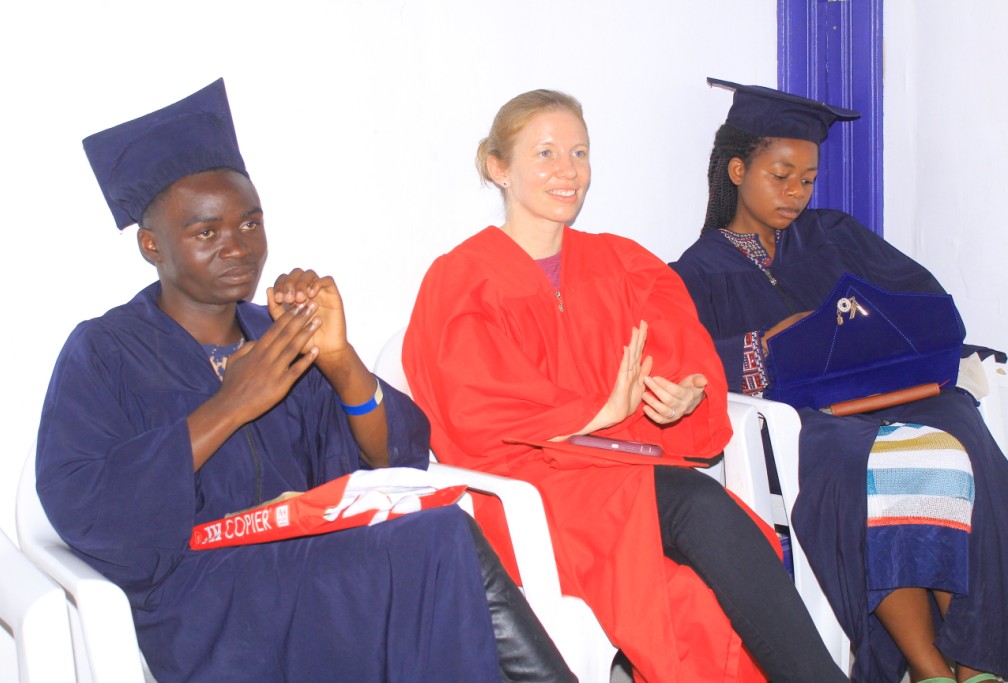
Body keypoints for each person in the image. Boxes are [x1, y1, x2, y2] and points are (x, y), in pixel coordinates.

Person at [36, 79, 575, 683]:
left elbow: (393, 458)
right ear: (151, 245)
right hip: (201, 601)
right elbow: (84, 504)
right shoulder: (106, 351)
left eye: (250, 224)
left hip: (311, 560)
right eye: (206, 232)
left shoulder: (280, 335)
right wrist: (231, 405)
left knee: (436, 544)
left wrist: (338, 358)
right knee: (436, 549)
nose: (237, 248)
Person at [403, 89, 849, 683]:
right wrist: (596, 411)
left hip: (621, 468)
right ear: (499, 167)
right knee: (699, 506)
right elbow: (470, 412)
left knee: (696, 591)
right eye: (545, 153)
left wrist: (686, 393)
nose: (568, 170)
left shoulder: (621, 264)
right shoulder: (460, 279)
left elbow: (682, 355)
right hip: (527, 489)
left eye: (579, 152)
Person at [670, 78, 1008, 683]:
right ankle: (930, 666)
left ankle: (978, 659)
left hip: (886, 393)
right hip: (807, 422)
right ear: (738, 171)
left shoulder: (834, 235)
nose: (796, 193)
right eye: (781, 175)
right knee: (892, 467)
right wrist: (769, 343)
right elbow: (690, 365)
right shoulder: (698, 271)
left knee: (962, 432)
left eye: (808, 179)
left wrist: (871, 323)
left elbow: (919, 300)